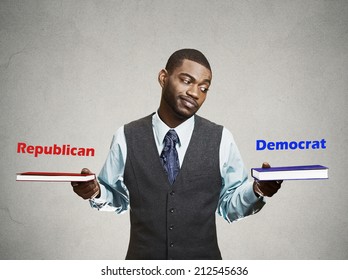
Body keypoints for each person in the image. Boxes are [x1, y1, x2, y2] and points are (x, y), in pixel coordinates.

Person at [71, 49, 282, 260]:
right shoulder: (126, 136)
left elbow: (229, 206)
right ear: (163, 78)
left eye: (204, 87)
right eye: (187, 80)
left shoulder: (221, 138)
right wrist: (95, 192)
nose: (195, 92)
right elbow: (117, 198)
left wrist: (257, 190)